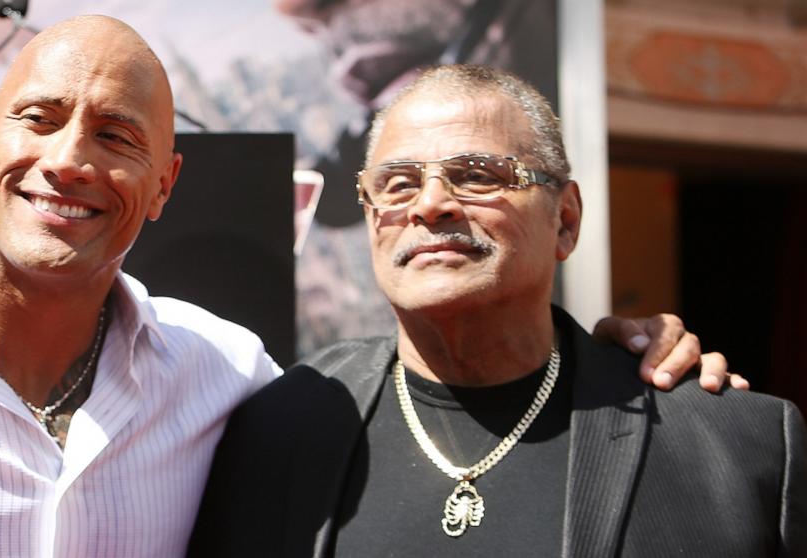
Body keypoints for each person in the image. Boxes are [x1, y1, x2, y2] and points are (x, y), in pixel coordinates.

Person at [0, 16, 743, 558]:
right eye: (38, 118)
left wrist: (621, 348)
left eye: (116, 137)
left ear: (165, 185)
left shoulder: (229, 379)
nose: (69, 161)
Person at [188, 65, 805, 557]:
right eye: (398, 183)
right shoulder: (276, 430)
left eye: (478, 175)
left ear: (564, 220)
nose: (430, 205)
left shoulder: (735, 449)